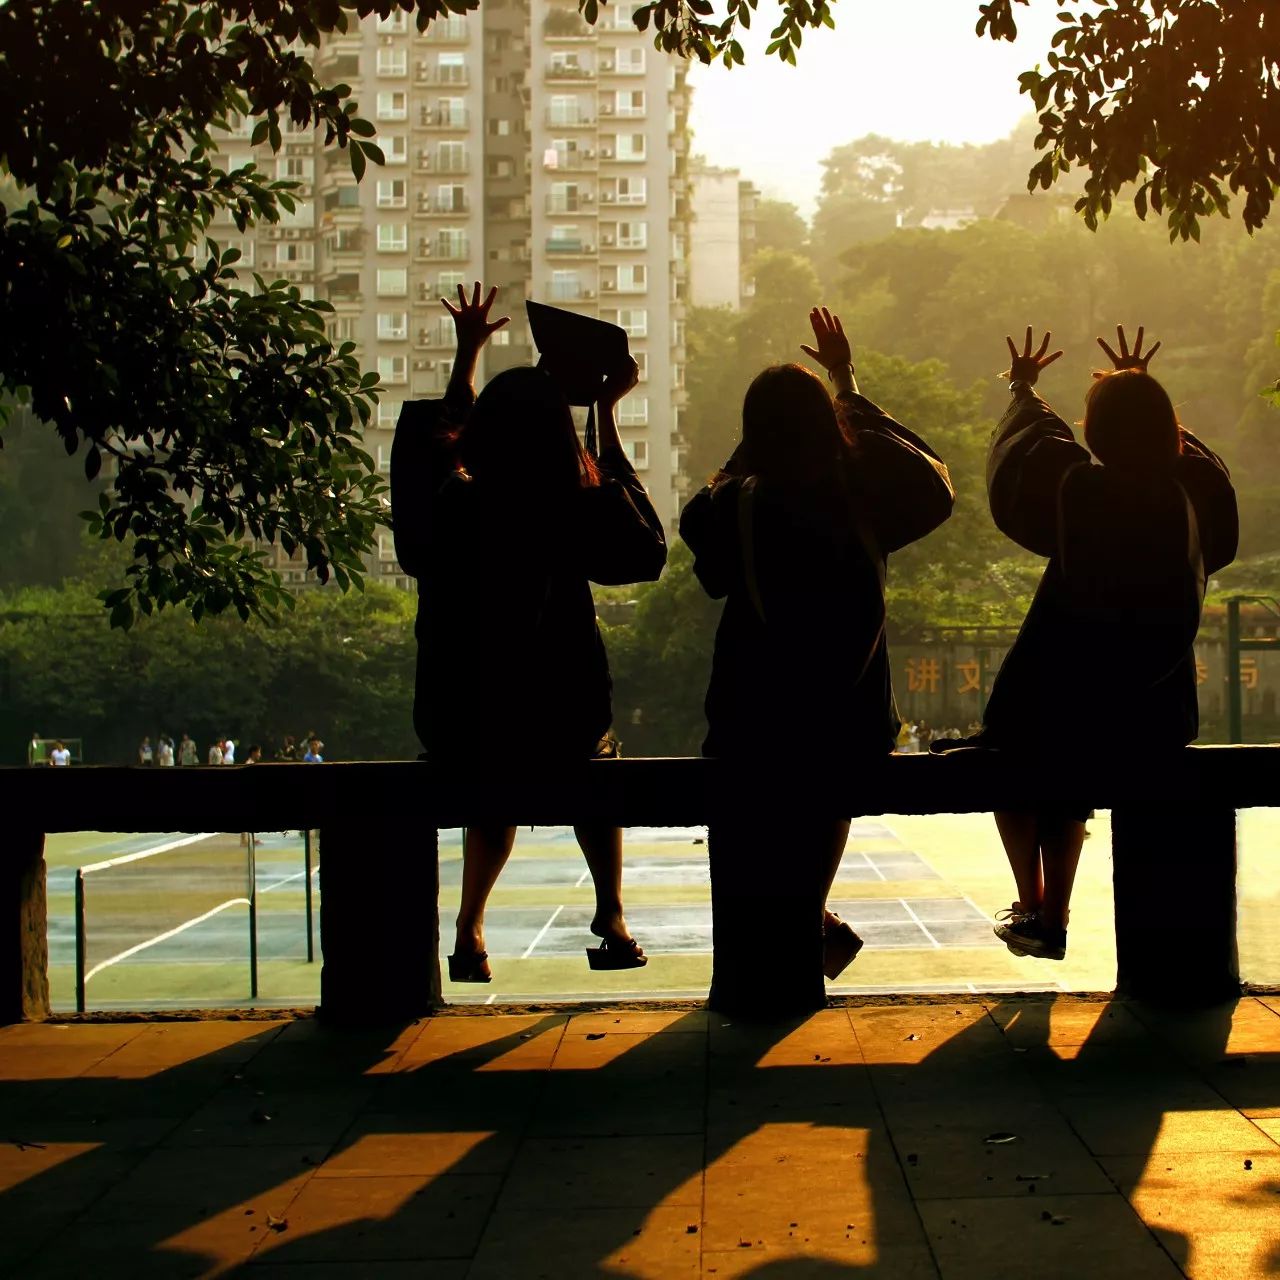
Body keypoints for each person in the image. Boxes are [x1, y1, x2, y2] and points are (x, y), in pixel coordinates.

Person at [392, 283, 667, 983]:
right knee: (592, 761)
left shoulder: (447, 509)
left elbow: (436, 447)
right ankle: (610, 912)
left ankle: (469, 925)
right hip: (562, 723)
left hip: (459, 723)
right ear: (560, 438)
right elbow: (645, 550)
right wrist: (602, 413)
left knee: (490, 758)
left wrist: (465, 361)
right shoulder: (566, 512)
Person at [936, 326, 1237, 961]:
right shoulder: (1190, 498)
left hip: (1060, 708)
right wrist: (1140, 390)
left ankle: (1040, 903)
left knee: (1010, 746)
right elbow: (1190, 462)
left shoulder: (1082, 492)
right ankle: (1049, 912)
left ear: (1095, 433)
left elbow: (1034, 450)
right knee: (1053, 741)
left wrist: (1022, 386)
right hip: (1157, 716)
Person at [680, 307, 955, 983]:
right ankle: (810, 918)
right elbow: (933, 483)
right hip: (848, 719)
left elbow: (700, 532)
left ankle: (785, 945)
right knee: (829, 804)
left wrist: (739, 458)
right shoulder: (860, 495)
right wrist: (846, 384)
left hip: (754, 717)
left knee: (755, 840)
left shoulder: (737, 505)